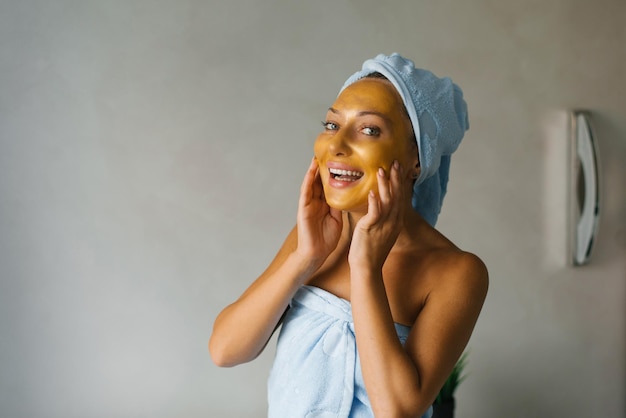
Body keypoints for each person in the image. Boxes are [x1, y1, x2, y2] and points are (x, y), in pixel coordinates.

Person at [209, 53, 488, 418]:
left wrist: (365, 267)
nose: (336, 145)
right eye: (330, 125)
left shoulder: (457, 272)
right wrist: (304, 258)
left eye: (369, 129)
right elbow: (225, 350)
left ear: (417, 158)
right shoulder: (315, 238)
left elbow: (398, 410)